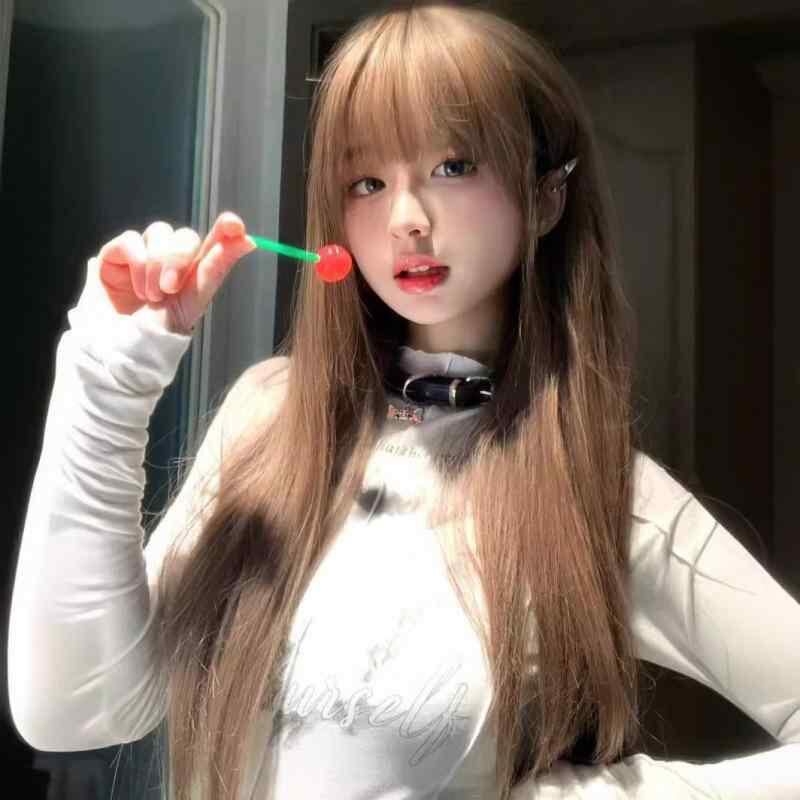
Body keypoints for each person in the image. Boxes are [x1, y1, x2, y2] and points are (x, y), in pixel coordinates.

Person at [7, 1, 800, 799]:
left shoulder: (602, 491)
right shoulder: (266, 419)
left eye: (453, 166)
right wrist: (109, 380)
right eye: (368, 181)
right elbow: (74, 710)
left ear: (547, 195)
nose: (406, 220)